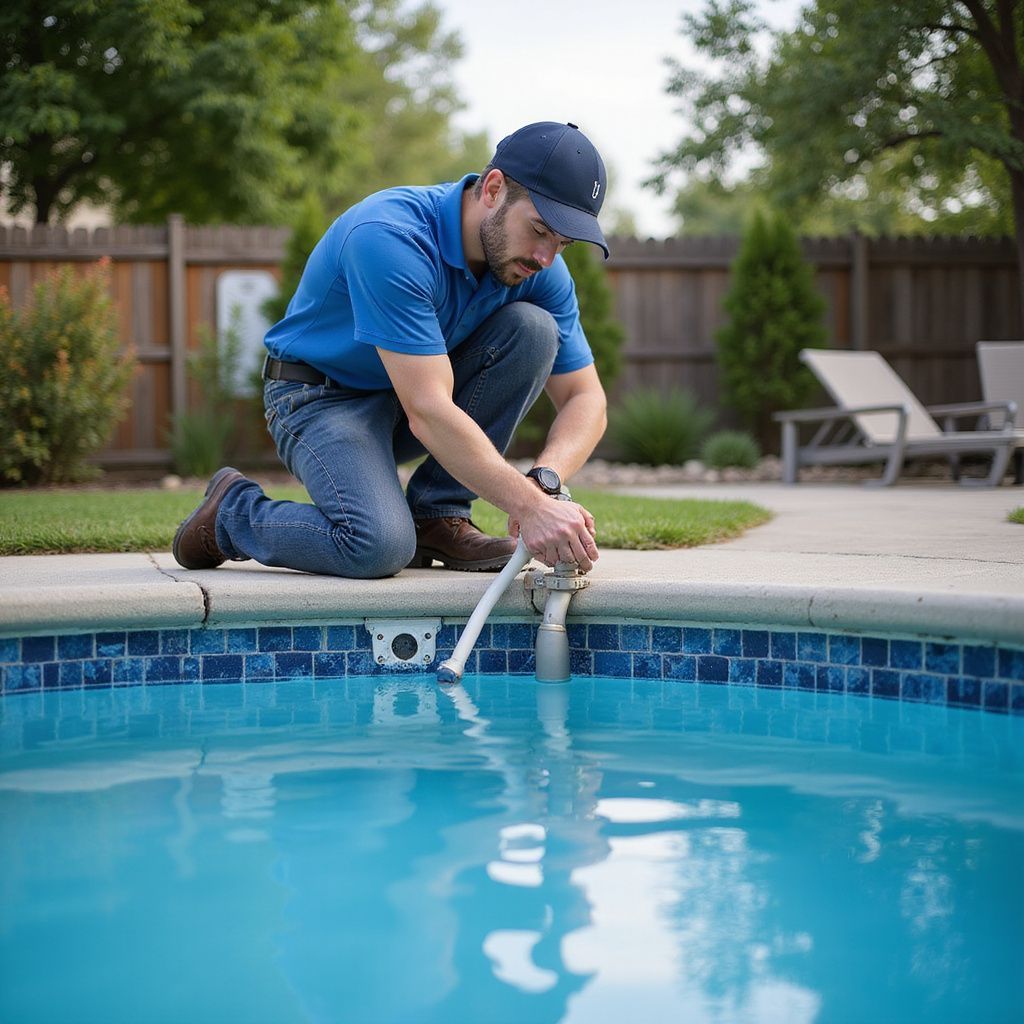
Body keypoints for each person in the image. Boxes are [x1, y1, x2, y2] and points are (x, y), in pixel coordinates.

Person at [172, 121, 609, 579]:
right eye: (539, 230)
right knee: (376, 546)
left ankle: (437, 516)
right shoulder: (390, 236)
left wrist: (545, 483)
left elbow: (587, 399)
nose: (546, 257)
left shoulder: (539, 271)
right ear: (494, 189)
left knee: (534, 330)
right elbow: (428, 409)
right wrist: (528, 506)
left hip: (404, 402)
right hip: (319, 398)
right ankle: (231, 514)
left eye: (562, 243)